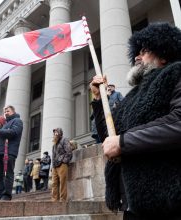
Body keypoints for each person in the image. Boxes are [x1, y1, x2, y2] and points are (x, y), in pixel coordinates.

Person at [90, 22, 181, 220]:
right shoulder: (132, 96)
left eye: (145, 50)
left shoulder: (176, 73)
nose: (137, 57)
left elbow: (178, 122)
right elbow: (109, 137)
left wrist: (124, 142)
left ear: (164, 55)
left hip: (167, 204)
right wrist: (98, 100)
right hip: (132, 206)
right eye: (136, 52)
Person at [0, 105, 23, 200]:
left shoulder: (17, 121)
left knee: (8, 173)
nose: (6, 113)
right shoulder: (4, 124)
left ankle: (7, 195)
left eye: (8, 111)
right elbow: (1, 136)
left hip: (10, 151)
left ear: (13, 111)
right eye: (5, 111)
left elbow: (14, 132)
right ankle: (0, 195)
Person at [51, 128, 72, 202]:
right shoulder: (54, 144)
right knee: (54, 183)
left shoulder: (64, 140)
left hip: (62, 164)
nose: (55, 134)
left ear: (60, 133)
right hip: (55, 166)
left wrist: (64, 161)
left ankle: (63, 200)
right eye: (54, 133)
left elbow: (69, 152)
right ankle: (54, 200)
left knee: (63, 182)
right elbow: (53, 156)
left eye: (56, 133)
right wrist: (52, 166)